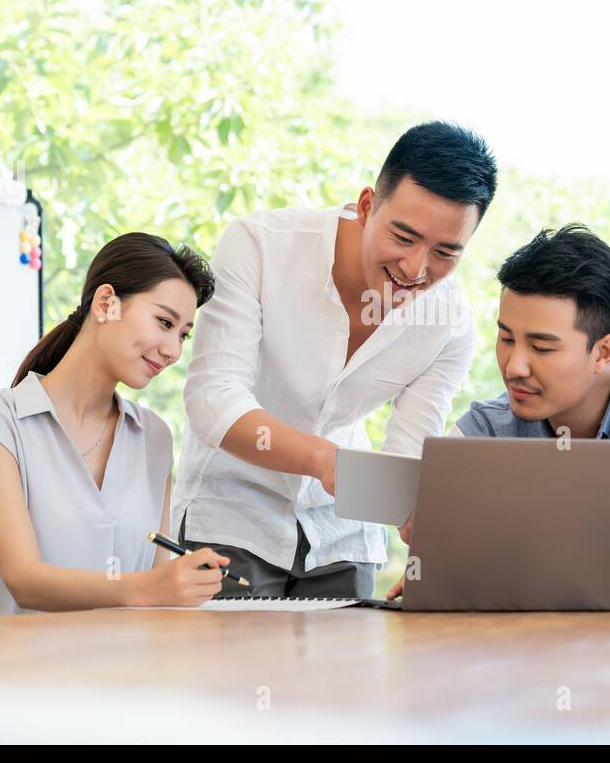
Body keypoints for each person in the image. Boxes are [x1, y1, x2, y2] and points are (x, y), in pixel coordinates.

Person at [174, 122, 498, 597]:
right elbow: (212, 399)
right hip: (230, 518)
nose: (416, 270)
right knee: (232, 671)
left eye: (446, 252)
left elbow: (408, 455)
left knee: (350, 671)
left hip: (341, 538)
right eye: (403, 238)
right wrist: (323, 459)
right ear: (368, 206)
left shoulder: (449, 325)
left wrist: (429, 523)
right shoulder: (259, 245)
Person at [388, 224, 610, 604]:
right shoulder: (487, 427)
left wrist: (481, 540)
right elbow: (437, 556)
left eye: (542, 348)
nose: (515, 366)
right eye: (507, 339)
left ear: (603, 352)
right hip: (530, 651)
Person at [0, 233, 229, 615]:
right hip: (8, 670)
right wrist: (151, 588)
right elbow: (25, 581)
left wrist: (181, 585)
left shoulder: (154, 438)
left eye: (183, 334)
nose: (173, 350)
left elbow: (159, 585)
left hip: (116, 669)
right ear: (106, 304)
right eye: (164, 322)